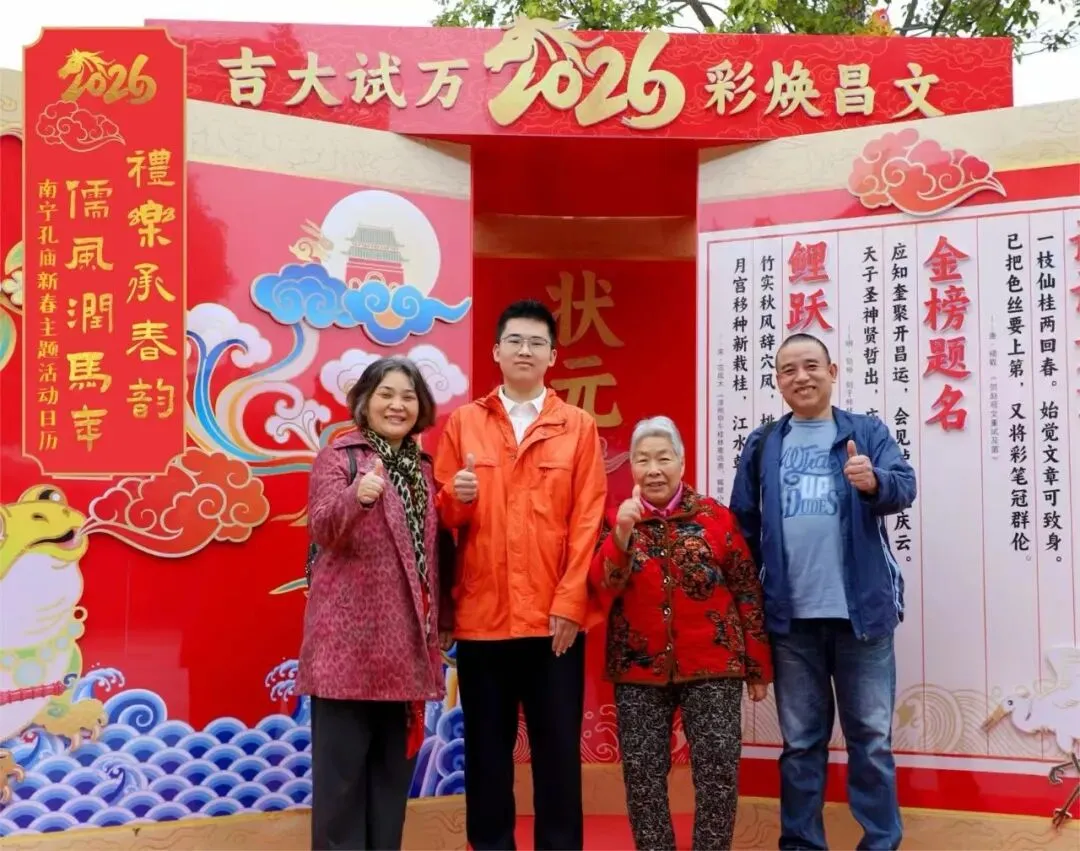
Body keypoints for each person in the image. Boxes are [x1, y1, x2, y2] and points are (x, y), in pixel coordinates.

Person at [730, 333, 917, 851]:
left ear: (832, 372)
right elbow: (743, 526)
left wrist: (873, 481)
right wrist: (749, 612)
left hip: (864, 620)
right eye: (789, 369)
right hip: (790, 624)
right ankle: (801, 844)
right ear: (777, 381)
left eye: (811, 366)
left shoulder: (865, 431)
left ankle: (880, 843)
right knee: (800, 745)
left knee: (871, 743)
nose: (801, 377)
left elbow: (904, 484)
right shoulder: (764, 443)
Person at [434, 299, 608, 851]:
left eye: (536, 342)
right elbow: (444, 518)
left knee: (557, 758)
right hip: (482, 619)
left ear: (552, 356)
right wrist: (457, 497)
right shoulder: (464, 423)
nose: (525, 350)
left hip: (554, 624)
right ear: (496, 351)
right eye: (515, 340)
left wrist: (570, 602)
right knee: (486, 756)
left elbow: (588, 520)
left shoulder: (577, 427)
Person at [590, 415, 771, 851]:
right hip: (638, 670)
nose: (653, 469)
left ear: (682, 463)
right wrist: (622, 534)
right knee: (643, 778)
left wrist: (758, 667)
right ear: (632, 467)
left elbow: (747, 589)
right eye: (642, 460)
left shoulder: (716, 517)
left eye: (663, 458)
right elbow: (601, 587)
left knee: (717, 773)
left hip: (714, 665)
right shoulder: (616, 520)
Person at [299, 356, 451, 851]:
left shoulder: (424, 471)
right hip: (345, 655)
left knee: (389, 790)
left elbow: (433, 557)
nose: (397, 405)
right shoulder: (338, 457)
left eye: (408, 396)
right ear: (365, 402)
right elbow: (322, 527)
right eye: (386, 394)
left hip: (404, 655)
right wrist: (357, 498)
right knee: (340, 791)